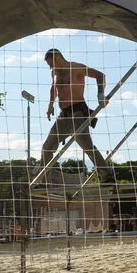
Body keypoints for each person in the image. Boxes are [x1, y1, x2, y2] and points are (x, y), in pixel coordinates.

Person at [41, 48, 111, 182]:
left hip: (77, 113)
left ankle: (107, 176)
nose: (50, 67)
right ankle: (45, 180)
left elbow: (100, 75)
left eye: (51, 64)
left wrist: (100, 94)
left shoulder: (76, 68)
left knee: (87, 147)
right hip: (63, 117)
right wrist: (50, 105)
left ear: (58, 58)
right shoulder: (54, 72)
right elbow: (53, 88)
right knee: (47, 147)